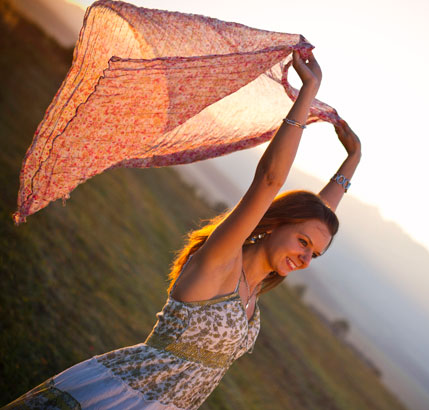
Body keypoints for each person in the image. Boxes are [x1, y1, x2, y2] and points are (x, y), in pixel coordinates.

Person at [5, 51, 361, 410]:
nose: (304, 258)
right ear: (276, 222)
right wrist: (308, 91)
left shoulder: (254, 282)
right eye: (302, 243)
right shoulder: (223, 261)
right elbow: (269, 180)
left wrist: (352, 161)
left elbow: (316, 216)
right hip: (124, 396)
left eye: (313, 254)